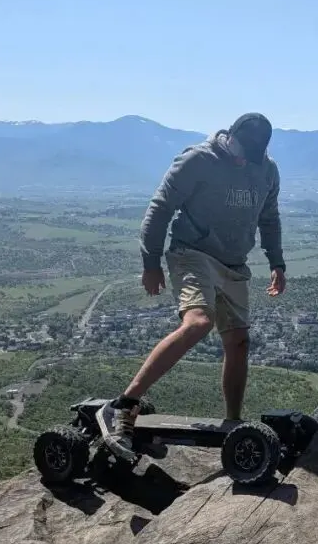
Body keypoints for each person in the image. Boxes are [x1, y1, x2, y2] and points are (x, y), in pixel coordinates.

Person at [96, 112, 287, 460]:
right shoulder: (198, 160)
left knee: (239, 340)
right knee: (199, 322)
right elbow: (160, 208)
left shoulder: (266, 170)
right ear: (230, 137)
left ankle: (233, 424)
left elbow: (269, 218)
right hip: (192, 252)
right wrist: (151, 262)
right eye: (243, 151)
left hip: (233, 262)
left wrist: (277, 262)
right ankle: (123, 405)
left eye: (253, 156)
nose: (245, 160)